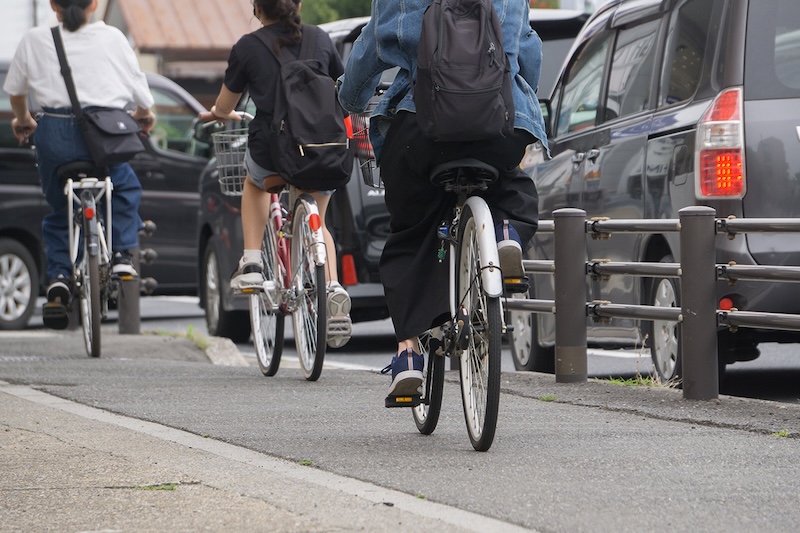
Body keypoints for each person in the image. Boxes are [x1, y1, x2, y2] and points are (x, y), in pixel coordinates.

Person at [337, 0, 547, 398]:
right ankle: (505, 230)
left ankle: (409, 354)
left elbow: (370, 49)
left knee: (411, 229)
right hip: (499, 123)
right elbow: (528, 49)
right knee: (509, 185)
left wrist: (347, 100)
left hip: (421, 130)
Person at [199, 0, 352, 349]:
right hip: (322, 149)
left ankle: (252, 261)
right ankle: (332, 288)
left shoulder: (248, 47)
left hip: (273, 152)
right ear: (297, 4)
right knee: (319, 219)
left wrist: (220, 114)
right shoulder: (321, 39)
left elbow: (225, 105)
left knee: (253, 183)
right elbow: (342, 86)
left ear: (257, 8)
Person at [3, 0, 156, 330]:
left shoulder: (34, 39)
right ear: (95, 4)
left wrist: (23, 119)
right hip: (103, 134)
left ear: (52, 5)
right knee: (124, 186)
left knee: (59, 205)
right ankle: (120, 257)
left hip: (54, 134)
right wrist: (144, 116)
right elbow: (142, 97)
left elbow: (16, 92)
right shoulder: (114, 38)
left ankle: (59, 276)